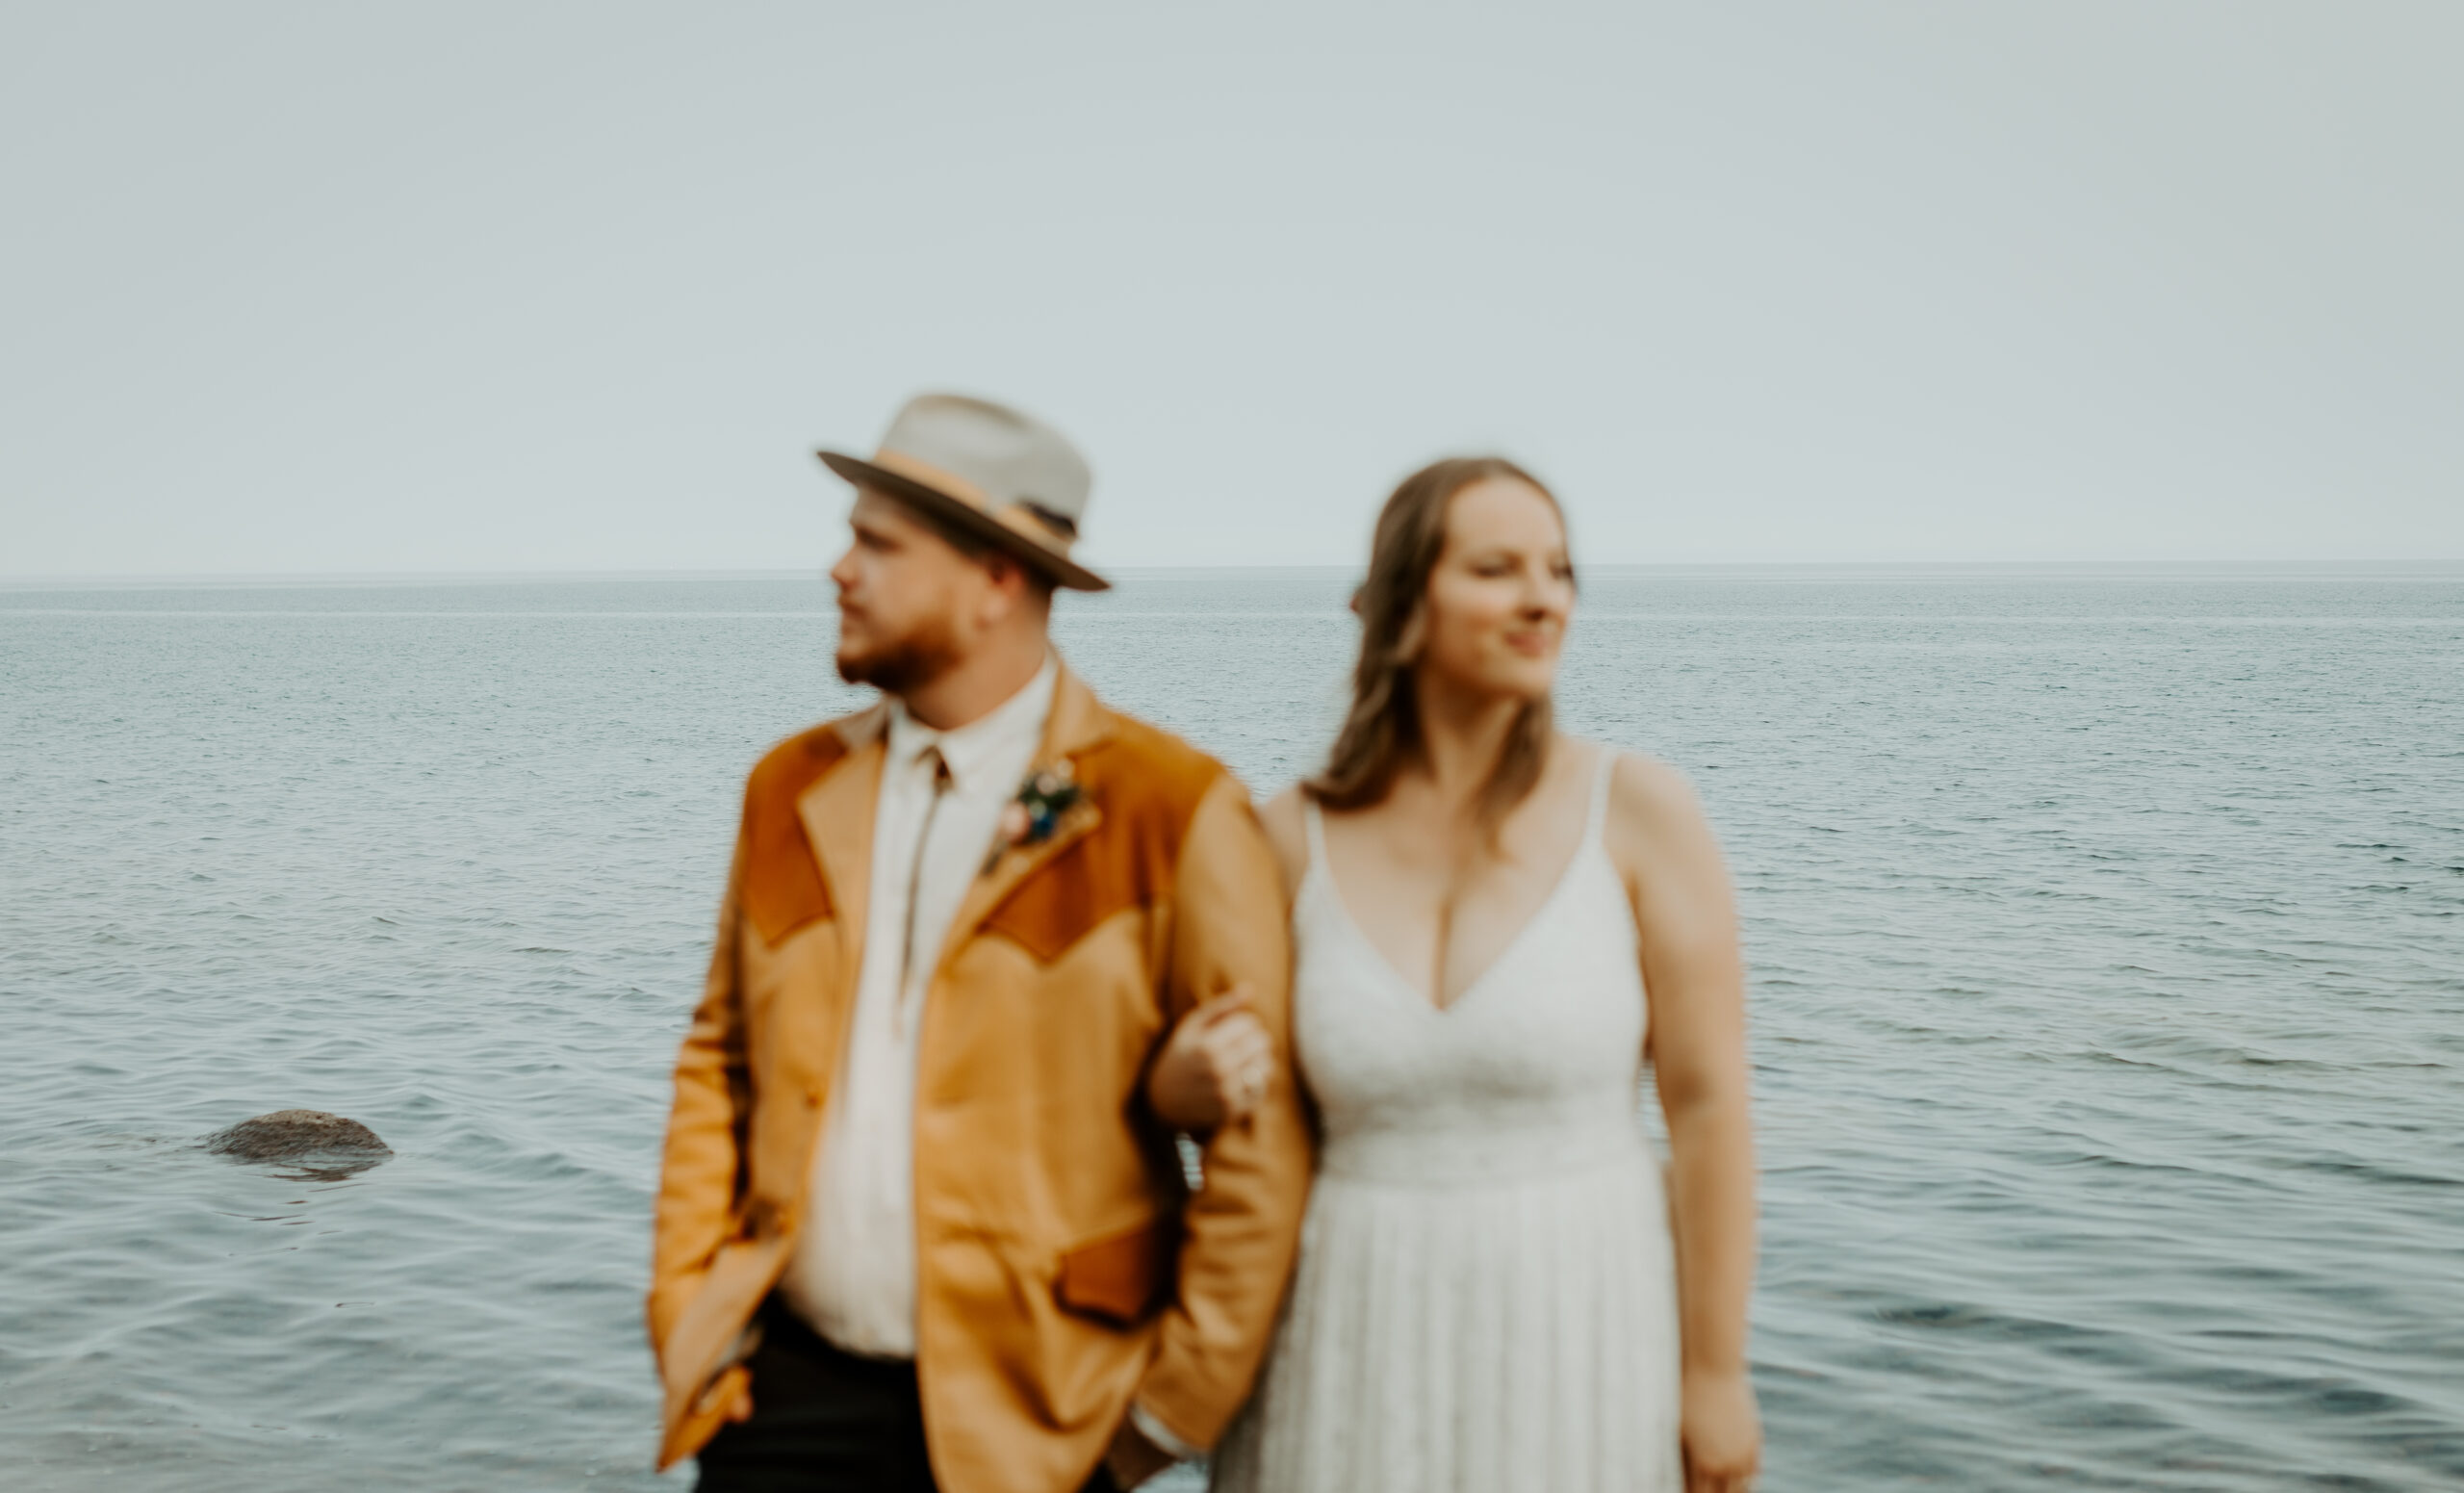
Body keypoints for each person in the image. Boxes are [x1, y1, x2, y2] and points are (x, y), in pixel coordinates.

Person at [647, 393, 1313, 1493]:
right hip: (776, 1402)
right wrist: (690, 1312)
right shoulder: (788, 789)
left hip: (1040, 1427)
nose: (838, 571)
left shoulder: (1171, 808)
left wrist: (1159, 1419)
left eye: (875, 543)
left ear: (997, 580)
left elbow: (1260, 1151)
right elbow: (719, 1062)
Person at [1149, 456, 1762, 1493]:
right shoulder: (1278, 840)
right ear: (1397, 606)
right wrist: (1173, 1087)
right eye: (1496, 569)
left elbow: (1708, 1110)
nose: (1541, 599)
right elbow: (1192, 1100)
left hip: (1581, 1323)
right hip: (1335, 1330)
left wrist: (1714, 1374)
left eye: (1559, 571)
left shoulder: (1643, 813)